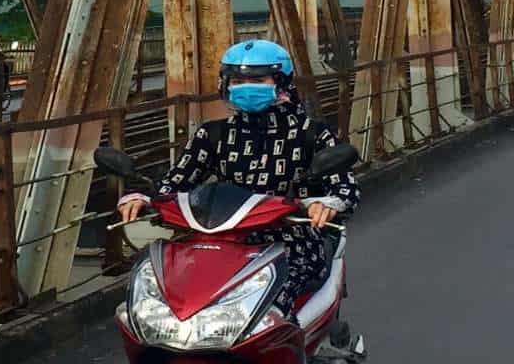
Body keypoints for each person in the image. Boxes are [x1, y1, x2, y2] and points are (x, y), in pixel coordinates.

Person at [115, 39, 361, 308]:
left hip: (289, 242)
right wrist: (142, 196)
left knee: (272, 306)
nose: (245, 87)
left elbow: (345, 189)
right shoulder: (213, 134)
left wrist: (325, 205)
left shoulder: (311, 134)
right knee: (169, 299)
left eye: (259, 79)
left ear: (282, 81)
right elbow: (176, 182)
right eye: (236, 80)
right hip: (220, 241)